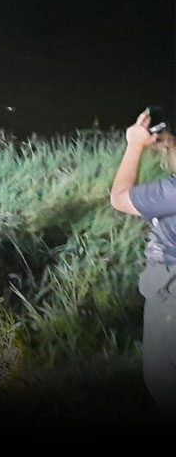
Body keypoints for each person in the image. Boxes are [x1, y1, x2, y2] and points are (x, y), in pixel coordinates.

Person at [109, 108, 176, 417]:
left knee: (165, 384)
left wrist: (135, 145)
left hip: (171, 293)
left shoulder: (171, 194)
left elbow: (120, 197)